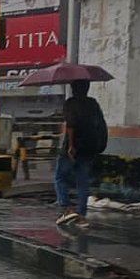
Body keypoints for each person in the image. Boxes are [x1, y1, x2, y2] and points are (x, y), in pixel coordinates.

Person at [55, 80, 108, 230]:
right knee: (82, 181)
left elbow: (71, 125)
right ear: (87, 88)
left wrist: (71, 146)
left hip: (73, 148)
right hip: (89, 148)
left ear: (72, 89)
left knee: (60, 177)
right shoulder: (93, 104)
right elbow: (101, 124)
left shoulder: (71, 103)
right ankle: (82, 216)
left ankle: (67, 209)